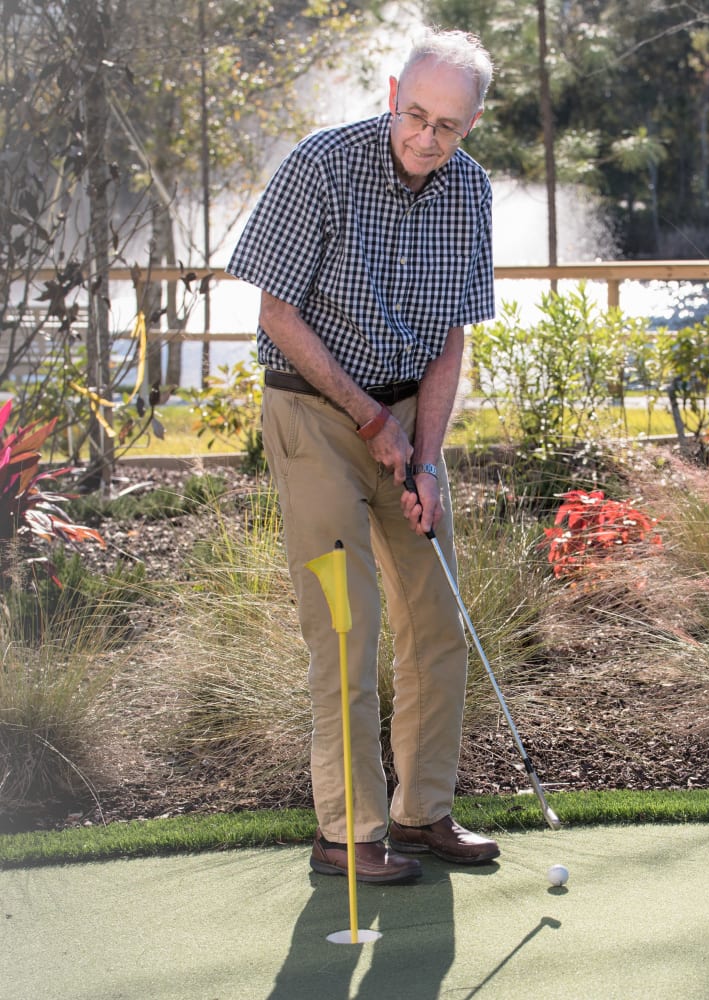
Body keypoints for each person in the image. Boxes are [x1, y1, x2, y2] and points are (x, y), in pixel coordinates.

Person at [226, 29, 499, 884]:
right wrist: (370, 421)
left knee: (434, 620)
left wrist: (424, 456)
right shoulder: (322, 165)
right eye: (415, 114)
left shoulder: (471, 191)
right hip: (317, 421)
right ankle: (347, 834)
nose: (426, 136)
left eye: (448, 126)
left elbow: (451, 336)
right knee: (346, 625)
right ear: (391, 94)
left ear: (472, 125)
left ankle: (423, 814)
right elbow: (277, 314)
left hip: (407, 421)